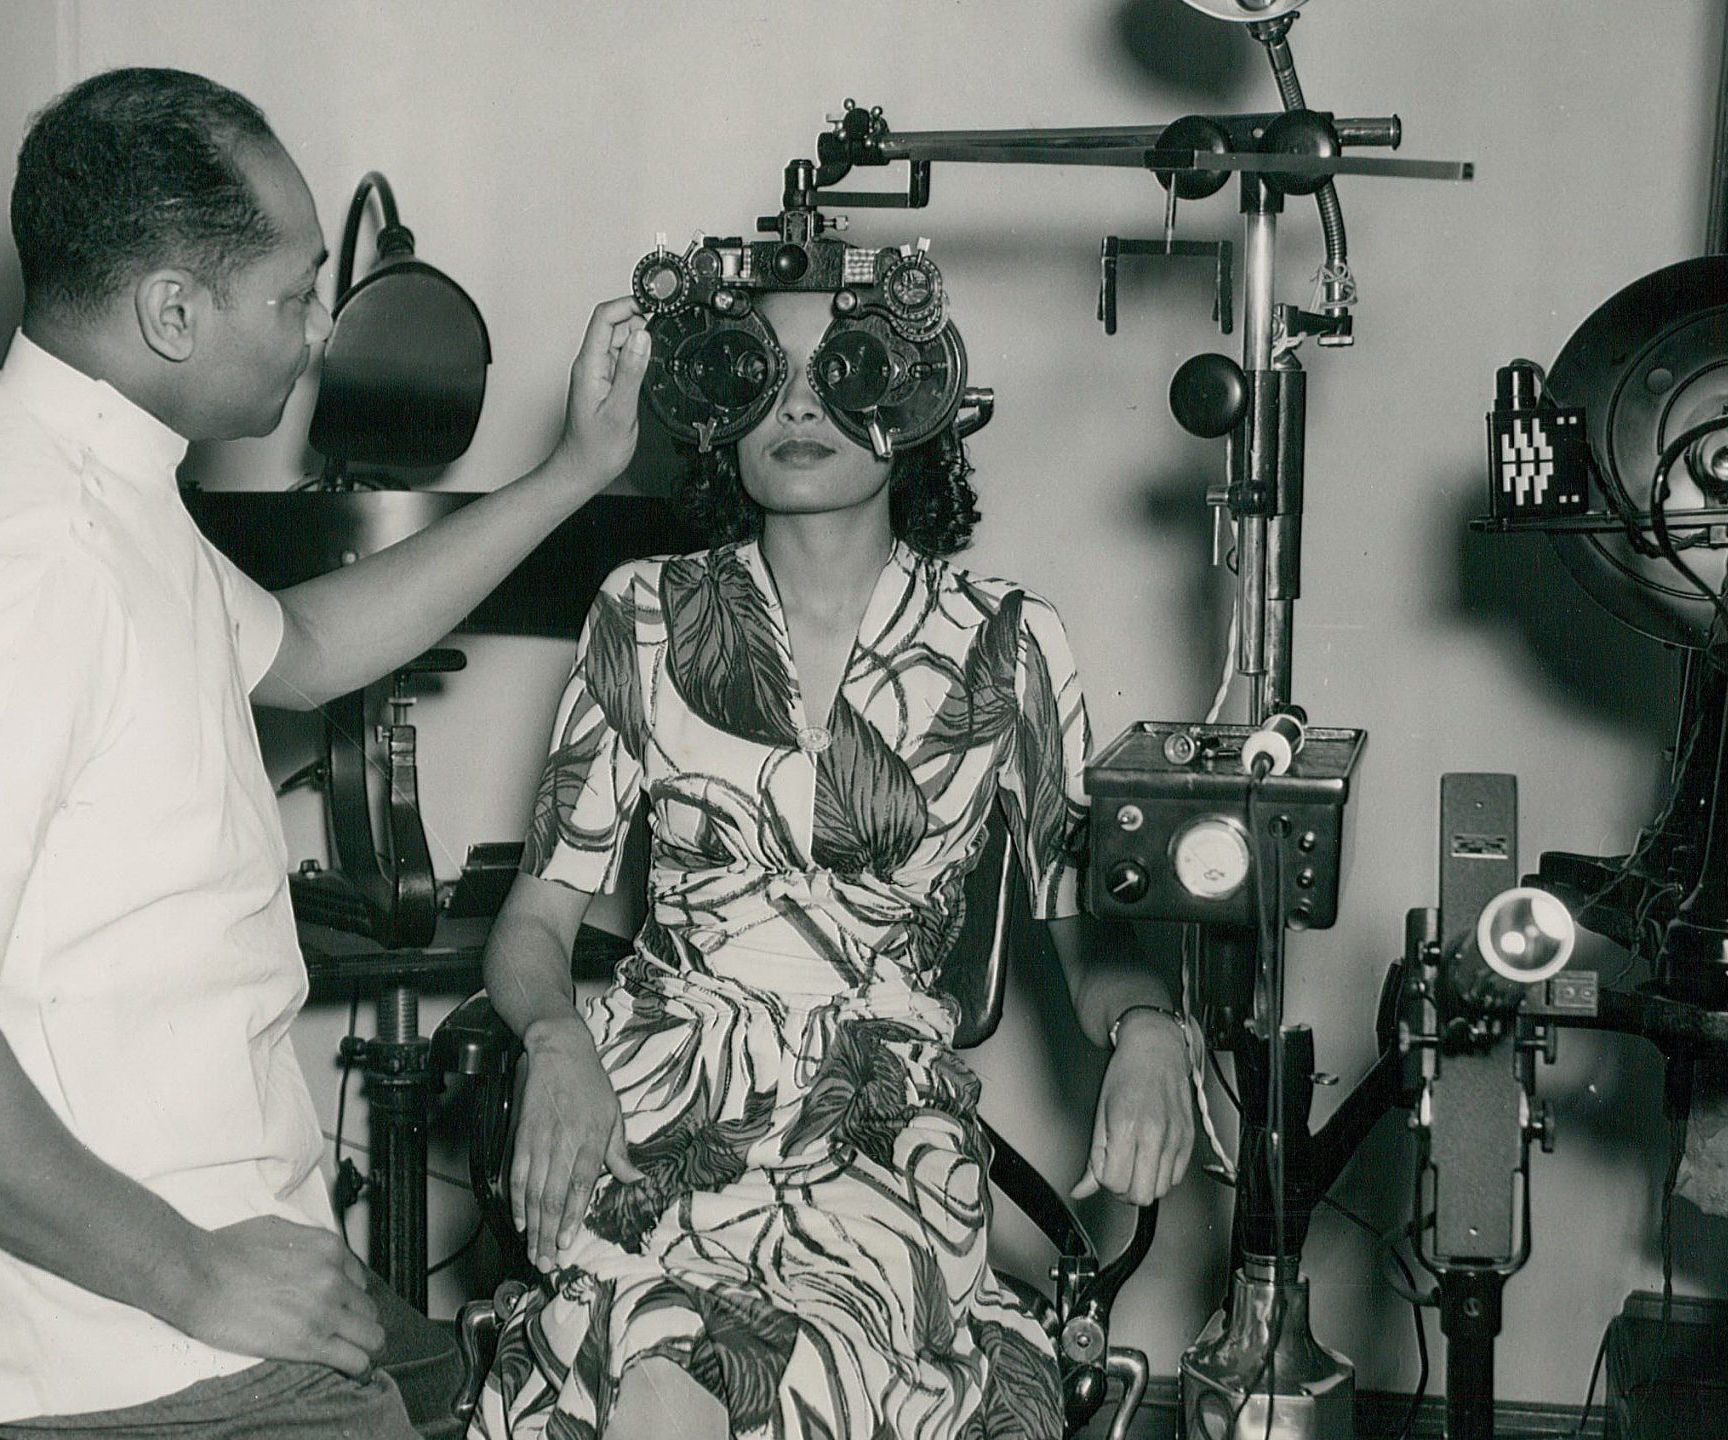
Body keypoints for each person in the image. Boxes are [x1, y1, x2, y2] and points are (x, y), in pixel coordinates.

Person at [0, 67, 650, 1438]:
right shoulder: (20, 549)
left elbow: (302, 646)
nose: (314, 340)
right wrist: (195, 1272)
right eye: (296, 297)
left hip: (143, 1315)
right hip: (79, 1361)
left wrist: (568, 477)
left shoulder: (97, 483)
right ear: (174, 310)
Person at [471, 287, 1202, 1440]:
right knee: (653, 1365)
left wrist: (1152, 1028)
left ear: (918, 400)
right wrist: (558, 1040)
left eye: (844, 368)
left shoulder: (1009, 642)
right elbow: (534, 922)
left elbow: (1087, 928)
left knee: (781, 1366)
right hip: (659, 1096)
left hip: (878, 1119)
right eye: (762, 369)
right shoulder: (642, 613)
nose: (800, 400)